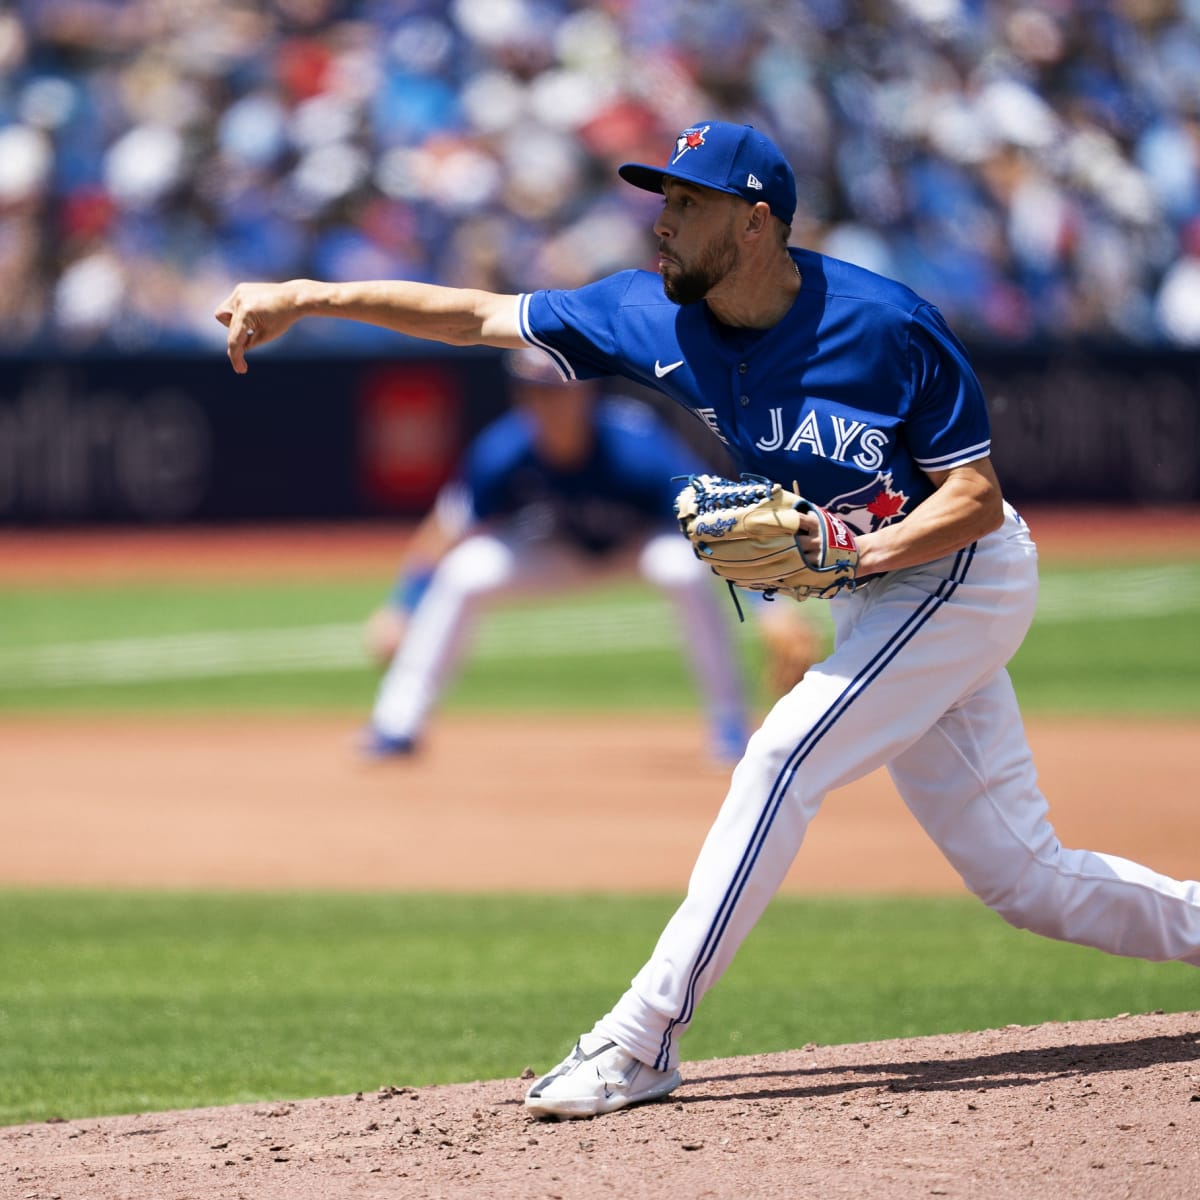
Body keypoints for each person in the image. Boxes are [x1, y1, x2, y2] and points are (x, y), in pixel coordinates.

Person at [217, 119, 1200, 1121]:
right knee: (1026, 882)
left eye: (689, 204)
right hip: (877, 598)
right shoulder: (646, 311)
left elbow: (976, 496)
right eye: (662, 200)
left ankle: (642, 1039)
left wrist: (853, 554)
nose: (664, 221)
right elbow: (478, 316)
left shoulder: (883, 323)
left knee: (780, 759)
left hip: (961, 579)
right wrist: (309, 297)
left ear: (756, 224)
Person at [359, 345, 821, 762]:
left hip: (639, 546)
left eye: (556, 392)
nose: (544, 404)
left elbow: (719, 520)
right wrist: (401, 607)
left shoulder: (635, 445)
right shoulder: (504, 450)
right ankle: (397, 723)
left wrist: (770, 608)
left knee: (682, 570)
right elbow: (445, 530)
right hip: (555, 549)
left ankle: (728, 725)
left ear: (585, 395)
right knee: (465, 572)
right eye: (532, 392)